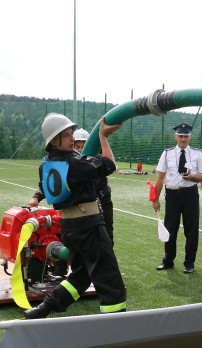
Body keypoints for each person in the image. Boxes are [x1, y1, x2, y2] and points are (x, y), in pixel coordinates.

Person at [23, 113, 126, 319]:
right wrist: (103, 137)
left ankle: (46, 307)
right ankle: (116, 322)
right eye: (67, 135)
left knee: (80, 276)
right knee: (109, 277)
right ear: (54, 140)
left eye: (71, 134)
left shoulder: (45, 165)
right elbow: (109, 164)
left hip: (69, 227)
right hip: (88, 225)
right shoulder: (74, 163)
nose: (72, 139)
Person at [28, 127, 116, 245]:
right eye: (77, 146)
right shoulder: (72, 162)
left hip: (100, 201)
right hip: (82, 217)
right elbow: (51, 182)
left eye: (83, 147)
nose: (80, 150)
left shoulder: (90, 161)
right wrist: (36, 197)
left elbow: (107, 166)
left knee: (107, 236)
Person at [152, 123, 202, 274]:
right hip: (172, 195)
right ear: (175, 136)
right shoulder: (167, 153)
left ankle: (189, 263)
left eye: (186, 136)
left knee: (191, 230)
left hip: (190, 195)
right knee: (170, 229)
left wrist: (192, 177)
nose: (183, 139)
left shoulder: (197, 154)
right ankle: (168, 261)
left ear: (190, 137)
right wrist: (155, 199)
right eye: (181, 136)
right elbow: (160, 178)